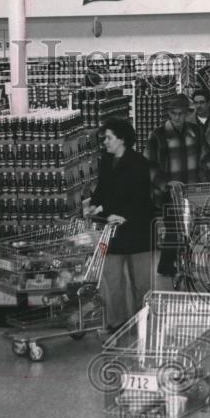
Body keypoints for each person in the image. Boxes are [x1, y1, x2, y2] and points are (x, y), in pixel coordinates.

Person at [145, 93, 210, 278]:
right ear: (168, 114)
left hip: (191, 191)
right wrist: (166, 183)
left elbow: (207, 155)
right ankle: (165, 267)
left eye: (181, 113)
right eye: (173, 113)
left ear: (187, 113)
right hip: (168, 193)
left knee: (193, 229)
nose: (177, 117)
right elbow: (149, 166)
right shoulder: (158, 135)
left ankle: (185, 261)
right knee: (174, 231)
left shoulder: (195, 132)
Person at [87, 118, 154, 331]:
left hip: (138, 231)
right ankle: (117, 322)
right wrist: (95, 205)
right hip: (112, 232)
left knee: (141, 283)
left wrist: (120, 214)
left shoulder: (139, 163)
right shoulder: (106, 161)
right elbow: (101, 190)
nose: (104, 142)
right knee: (112, 280)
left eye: (108, 138)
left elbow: (142, 198)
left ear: (121, 139)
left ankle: (142, 320)